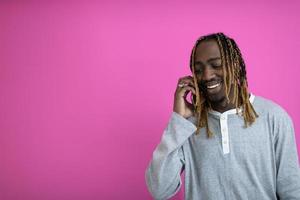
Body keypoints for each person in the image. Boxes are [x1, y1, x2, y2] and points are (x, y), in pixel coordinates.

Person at [145, 32, 300, 200]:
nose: (207, 75)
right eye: (198, 70)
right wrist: (178, 120)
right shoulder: (187, 125)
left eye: (216, 65)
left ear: (234, 65)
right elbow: (159, 190)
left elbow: (291, 190)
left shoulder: (274, 117)